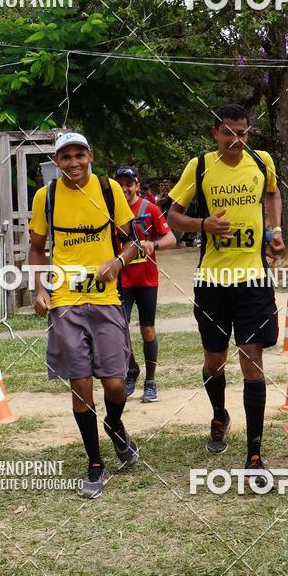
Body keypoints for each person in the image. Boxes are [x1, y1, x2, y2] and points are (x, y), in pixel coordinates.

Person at [167, 102, 284, 479]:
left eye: (243, 133)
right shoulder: (199, 166)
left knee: (252, 360)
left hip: (252, 278)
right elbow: (173, 216)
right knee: (215, 361)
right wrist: (204, 224)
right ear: (215, 133)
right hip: (212, 281)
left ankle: (254, 454)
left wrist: (275, 231)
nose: (236, 140)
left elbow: (272, 193)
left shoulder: (262, 160)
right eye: (229, 133)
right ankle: (219, 416)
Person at [29, 132, 140, 499]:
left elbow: (133, 242)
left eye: (79, 154)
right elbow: (36, 248)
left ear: (90, 155)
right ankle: (95, 463)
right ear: (56, 161)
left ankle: (115, 424)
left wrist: (117, 261)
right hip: (65, 303)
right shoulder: (46, 198)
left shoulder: (109, 190)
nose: (74, 162)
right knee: (80, 387)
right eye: (66, 156)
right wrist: (40, 289)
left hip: (106, 300)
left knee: (115, 384)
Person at [115, 165, 176, 402]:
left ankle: (150, 381)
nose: (124, 189)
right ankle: (131, 370)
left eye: (128, 184)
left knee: (147, 329)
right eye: (119, 184)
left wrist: (155, 245)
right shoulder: (111, 211)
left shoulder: (149, 209)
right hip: (122, 279)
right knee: (119, 328)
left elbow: (170, 237)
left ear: (137, 186)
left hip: (146, 279)